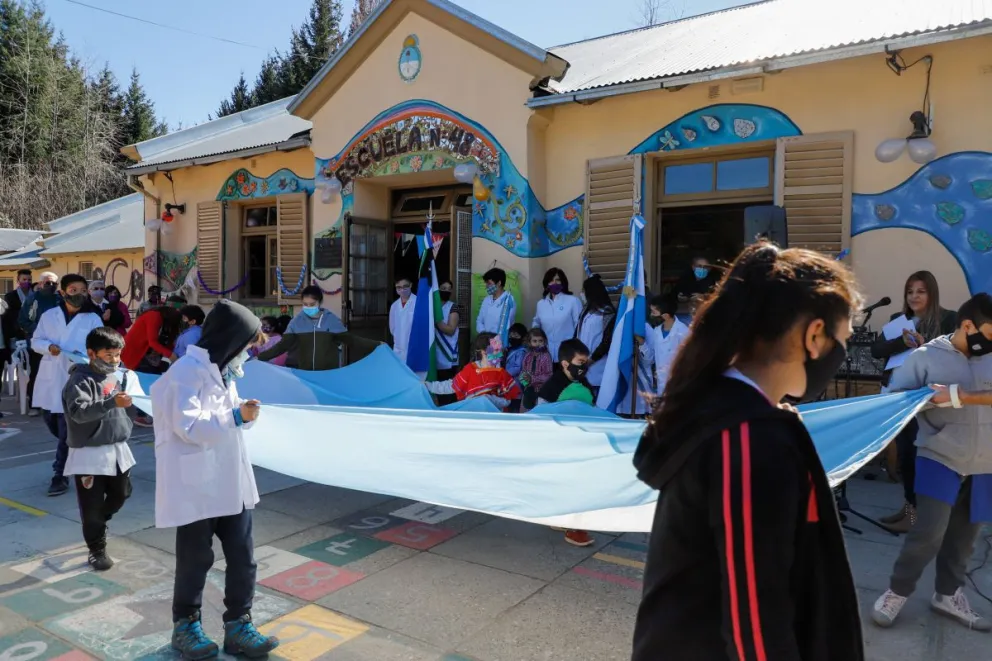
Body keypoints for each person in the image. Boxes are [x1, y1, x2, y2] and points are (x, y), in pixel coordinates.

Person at [630, 243, 864, 661]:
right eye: (842, 341)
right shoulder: (748, 437)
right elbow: (755, 625)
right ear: (814, 335)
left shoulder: (733, 413)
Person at [151, 299, 279, 659]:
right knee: (195, 560)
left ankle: (239, 625)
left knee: (243, 557)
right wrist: (236, 417)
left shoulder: (222, 372)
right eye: (247, 345)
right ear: (230, 340)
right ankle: (185, 627)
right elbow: (190, 427)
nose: (248, 354)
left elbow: (225, 422)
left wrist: (242, 415)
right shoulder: (185, 373)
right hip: (197, 486)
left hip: (230, 482)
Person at [871, 293, 992, 632]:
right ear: (968, 326)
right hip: (938, 455)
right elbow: (897, 401)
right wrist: (929, 397)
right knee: (927, 533)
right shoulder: (924, 357)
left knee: (965, 537)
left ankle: (948, 595)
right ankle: (897, 591)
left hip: (985, 463)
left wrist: (956, 395)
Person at [872, 271, 957, 533]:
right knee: (905, 456)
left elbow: (955, 355)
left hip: (928, 399)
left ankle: (920, 516)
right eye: (910, 291)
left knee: (921, 458)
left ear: (932, 293)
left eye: (921, 291)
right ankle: (910, 508)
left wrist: (925, 345)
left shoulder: (948, 319)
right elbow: (877, 350)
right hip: (900, 396)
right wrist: (901, 341)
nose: (914, 297)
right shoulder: (898, 320)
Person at [62, 327, 134, 571]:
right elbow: (78, 412)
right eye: (108, 355)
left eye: (118, 355)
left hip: (118, 448)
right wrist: (111, 402)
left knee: (121, 494)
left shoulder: (120, 376)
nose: (114, 360)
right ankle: (96, 548)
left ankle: (99, 523)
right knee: (91, 505)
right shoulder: (79, 380)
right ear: (91, 353)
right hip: (89, 452)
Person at [32, 274, 105, 497]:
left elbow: (100, 345)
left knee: (66, 429)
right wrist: (48, 347)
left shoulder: (92, 318)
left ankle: (60, 474)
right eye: (74, 290)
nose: (79, 295)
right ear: (62, 292)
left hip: (78, 377)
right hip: (51, 376)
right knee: (53, 423)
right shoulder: (49, 315)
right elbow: (36, 341)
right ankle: (77, 450)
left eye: (83, 291)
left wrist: (83, 354)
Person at [535, 339, 596, 547]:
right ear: (565, 363)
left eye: (586, 362)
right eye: (580, 362)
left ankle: (564, 519)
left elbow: (592, 409)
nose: (584, 367)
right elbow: (540, 416)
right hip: (560, 444)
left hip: (581, 442)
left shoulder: (584, 384)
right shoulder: (552, 387)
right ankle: (574, 528)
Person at [257, 286, 378, 370]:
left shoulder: (331, 320)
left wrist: (377, 345)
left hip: (329, 373)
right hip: (306, 374)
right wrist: (260, 358)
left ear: (319, 302)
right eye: (305, 304)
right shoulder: (296, 322)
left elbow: (352, 340)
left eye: (312, 304)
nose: (308, 307)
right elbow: (281, 346)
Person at [424, 332, 521, 410]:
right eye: (496, 350)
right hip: (471, 417)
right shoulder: (470, 369)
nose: (500, 353)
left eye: (500, 350)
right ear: (483, 352)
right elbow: (451, 386)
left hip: (491, 420)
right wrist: (428, 386)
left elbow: (507, 401)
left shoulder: (502, 373)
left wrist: (489, 399)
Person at [19, 271, 60, 416]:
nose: (51, 285)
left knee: (56, 375)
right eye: (48, 283)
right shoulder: (32, 299)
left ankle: (54, 403)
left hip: (57, 344)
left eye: (54, 283)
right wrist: (40, 329)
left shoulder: (60, 299)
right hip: (38, 344)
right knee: (37, 374)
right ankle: (34, 405)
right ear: (41, 283)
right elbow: (23, 321)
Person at [641, 294, 690, 397]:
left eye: (654, 312)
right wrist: (642, 344)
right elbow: (649, 359)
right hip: (661, 387)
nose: (651, 315)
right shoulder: (656, 331)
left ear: (666, 316)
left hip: (679, 387)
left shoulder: (683, 332)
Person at [575, 275, 616, 396]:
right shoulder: (585, 311)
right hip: (582, 365)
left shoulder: (607, 312)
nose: (582, 293)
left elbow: (607, 341)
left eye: (584, 291)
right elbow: (577, 334)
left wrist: (591, 359)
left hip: (598, 365)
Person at [532, 268, 582, 361]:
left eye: (557, 280)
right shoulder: (541, 304)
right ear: (547, 283)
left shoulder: (573, 301)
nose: (554, 283)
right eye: (551, 280)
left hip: (567, 354)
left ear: (563, 282)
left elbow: (579, 327)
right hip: (546, 354)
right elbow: (536, 323)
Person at [122, 304, 181, 373]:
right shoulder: (154, 316)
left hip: (140, 351)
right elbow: (152, 342)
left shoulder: (157, 317)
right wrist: (170, 354)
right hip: (133, 351)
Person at [1, 268, 32, 372]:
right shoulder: (10, 296)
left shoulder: (35, 294)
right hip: (17, 333)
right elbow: (9, 316)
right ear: (18, 281)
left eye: (29, 280)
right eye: (24, 279)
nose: (27, 282)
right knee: (19, 362)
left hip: (32, 333)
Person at [476, 267, 516, 341]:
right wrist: (484, 334)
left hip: (500, 342)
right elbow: (479, 320)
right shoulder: (486, 300)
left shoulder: (509, 300)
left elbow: (506, 324)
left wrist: (494, 340)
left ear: (499, 283)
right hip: (485, 340)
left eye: (489, 283)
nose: (486, 286)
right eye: (486, 283)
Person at [519, 328, 553, 411]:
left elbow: (549, 375)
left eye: (540, 341)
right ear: (529, 342)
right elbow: (523, 370)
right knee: (526, 411)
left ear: (544, 341)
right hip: (528, 389)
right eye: (535, 341)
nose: (538, 343)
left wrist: (532, 379)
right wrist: (523, 378)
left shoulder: (546, 356)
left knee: (539, 412)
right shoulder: (528, 355)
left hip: (542, 391)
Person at [435, 280, 460, 377]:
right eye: (443, 288)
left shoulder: (453, 307)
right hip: (433, 352)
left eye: (449, 289)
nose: (446, 291)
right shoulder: (432, 306)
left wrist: (436, 319)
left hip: (447, 352)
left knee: (447, 381)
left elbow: (451, 330)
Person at [388, 276, 417, 362]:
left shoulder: (418, 302)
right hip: (399, 348)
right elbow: (392, 328)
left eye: (405, 286)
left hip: (415, 347)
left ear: (410, 285)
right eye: (399, 287)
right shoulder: (394, 306)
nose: (402, 290)